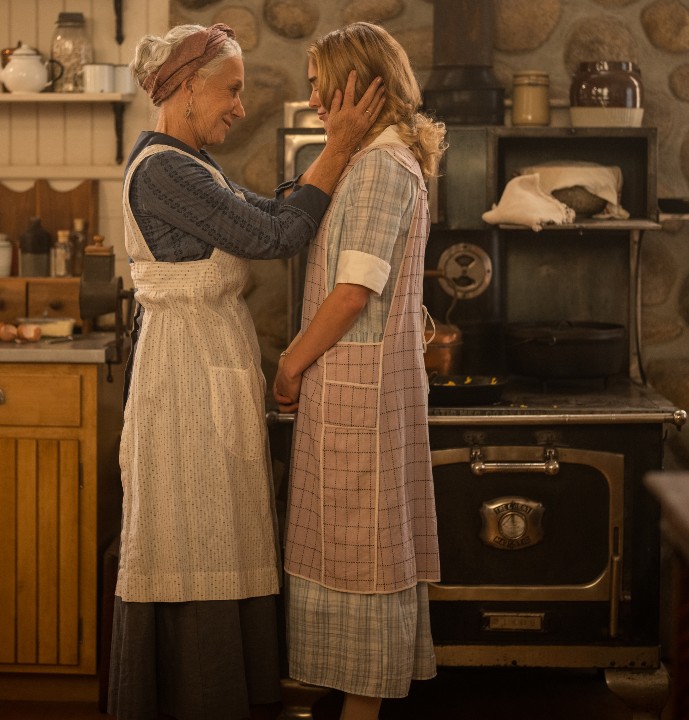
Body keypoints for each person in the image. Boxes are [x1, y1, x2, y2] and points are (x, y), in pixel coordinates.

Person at [110, 22, 384, 720]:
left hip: (206, 370)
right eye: (230, 91)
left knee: (219, 530)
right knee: (190, 533)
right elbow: (276, 235)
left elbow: (267, 211)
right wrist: (342, 147)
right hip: (183, 380)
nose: (239, 105)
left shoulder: (190, 163)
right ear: (186, 88)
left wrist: (334, 166)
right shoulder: (164, 168)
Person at [272, 22, 445, 720]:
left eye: (321, 82)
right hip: (357, 389)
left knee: (362, 555)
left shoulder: (379, 167)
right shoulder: (374, 158)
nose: (313, 97)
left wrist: (290, 360)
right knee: (351, 550)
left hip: (358, 395)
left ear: (360, 85)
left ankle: (361, 713)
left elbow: (353, 292)